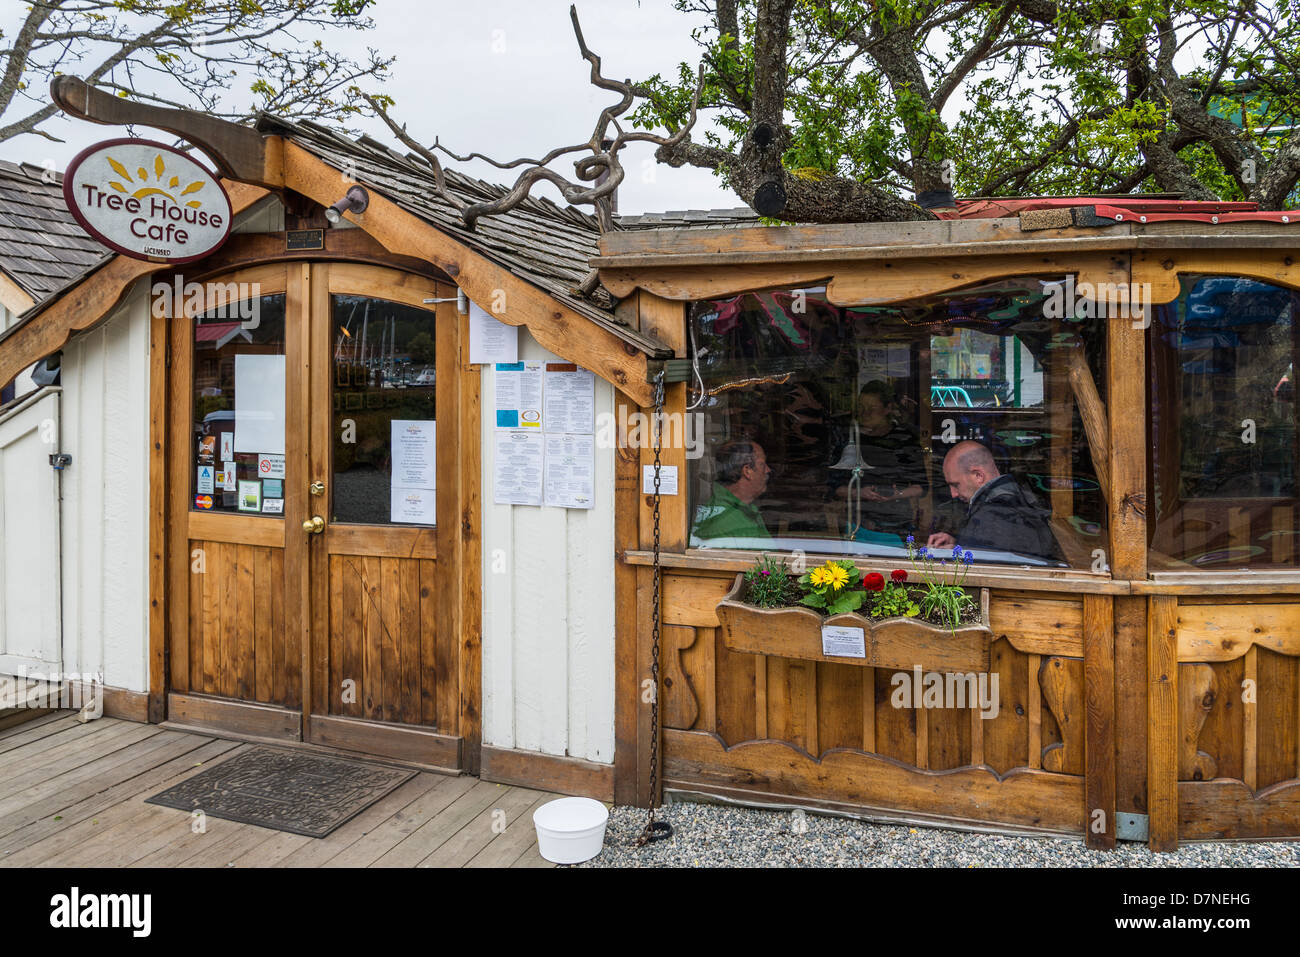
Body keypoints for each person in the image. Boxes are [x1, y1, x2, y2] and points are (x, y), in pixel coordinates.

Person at [927, 440, 1063, 562]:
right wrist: (958, 545)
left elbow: (979, 571)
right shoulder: (1019, 496)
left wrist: (957, 551)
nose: (953, 494)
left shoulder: (995, 515)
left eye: (956, 485)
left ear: (978, 476)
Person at [829, 382, 927, 536]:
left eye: (872, 408)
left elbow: (921, 487)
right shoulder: (849, 438)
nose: (865, 413)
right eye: (861, 407)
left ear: (888, 408)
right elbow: (833, 487)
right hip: (857, 524)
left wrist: (895, 495)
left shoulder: (904, 438)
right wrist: (859, 493)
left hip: (897, 524)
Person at [692, 439, 773, 541]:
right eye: (762, 464)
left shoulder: (745, 508)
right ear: (747, 471)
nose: (768, 470)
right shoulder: (725, 521)